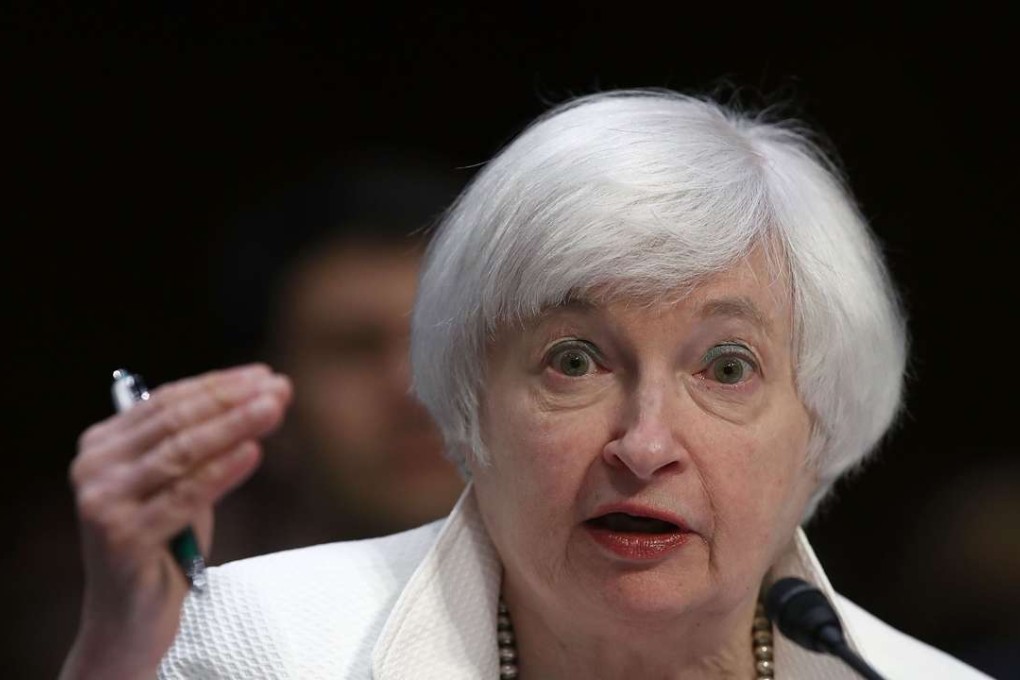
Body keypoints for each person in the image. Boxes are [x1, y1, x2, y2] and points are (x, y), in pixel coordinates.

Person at [60, 90, 989, 679]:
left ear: (819, 424)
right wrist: (116, 652)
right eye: (574, 362)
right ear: (469, 403)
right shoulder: (259, 644)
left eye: (727, 368)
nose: (646, 443)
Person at [209, 156, 466, 562]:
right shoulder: (183, 617)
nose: (413, 391)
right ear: (261, 406)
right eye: (354, 350)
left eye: (444, 340)